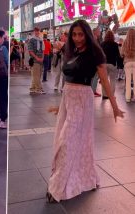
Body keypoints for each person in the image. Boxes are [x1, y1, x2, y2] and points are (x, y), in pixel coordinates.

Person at [47, 20, 124, 203]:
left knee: (67, 142)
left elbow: (104, 81)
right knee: (68, 141)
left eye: (81, 34)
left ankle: (59, 185)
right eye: (74, 35)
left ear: (87, 34)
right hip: (69, 99)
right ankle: (84, 177)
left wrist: (114, 107)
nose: (77, 38)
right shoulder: (71, 51)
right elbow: (68, 81)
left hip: (83, 100)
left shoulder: (95, 53)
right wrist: (61, 106)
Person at [101, 30, 120, 100]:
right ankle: (111, 95)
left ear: (105, 36)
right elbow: (118, 55)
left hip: (104, 64)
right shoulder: (115, 44)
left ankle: (104, 95)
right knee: (112, 80)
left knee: (104, 80)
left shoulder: (102, 44)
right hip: (112, 64)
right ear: (113, 36)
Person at [28, 27, 45, 94]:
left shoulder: (41, 40)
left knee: (38, 75)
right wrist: (36, 57)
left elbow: (43, 50)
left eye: (38, 31)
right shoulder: (31, 40)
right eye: (36, 31)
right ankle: (39, 89)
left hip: (40, 60)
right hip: (35, 60)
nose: (37, 32)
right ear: (34, 32)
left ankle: (32, 88)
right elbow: (30, 51)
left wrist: (42, 57)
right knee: (36, 75)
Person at [122, 29, 135, 102]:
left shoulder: (125, 42)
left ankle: (128, 98)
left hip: (127, 63)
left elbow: (121, 53)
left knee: (128, 81)